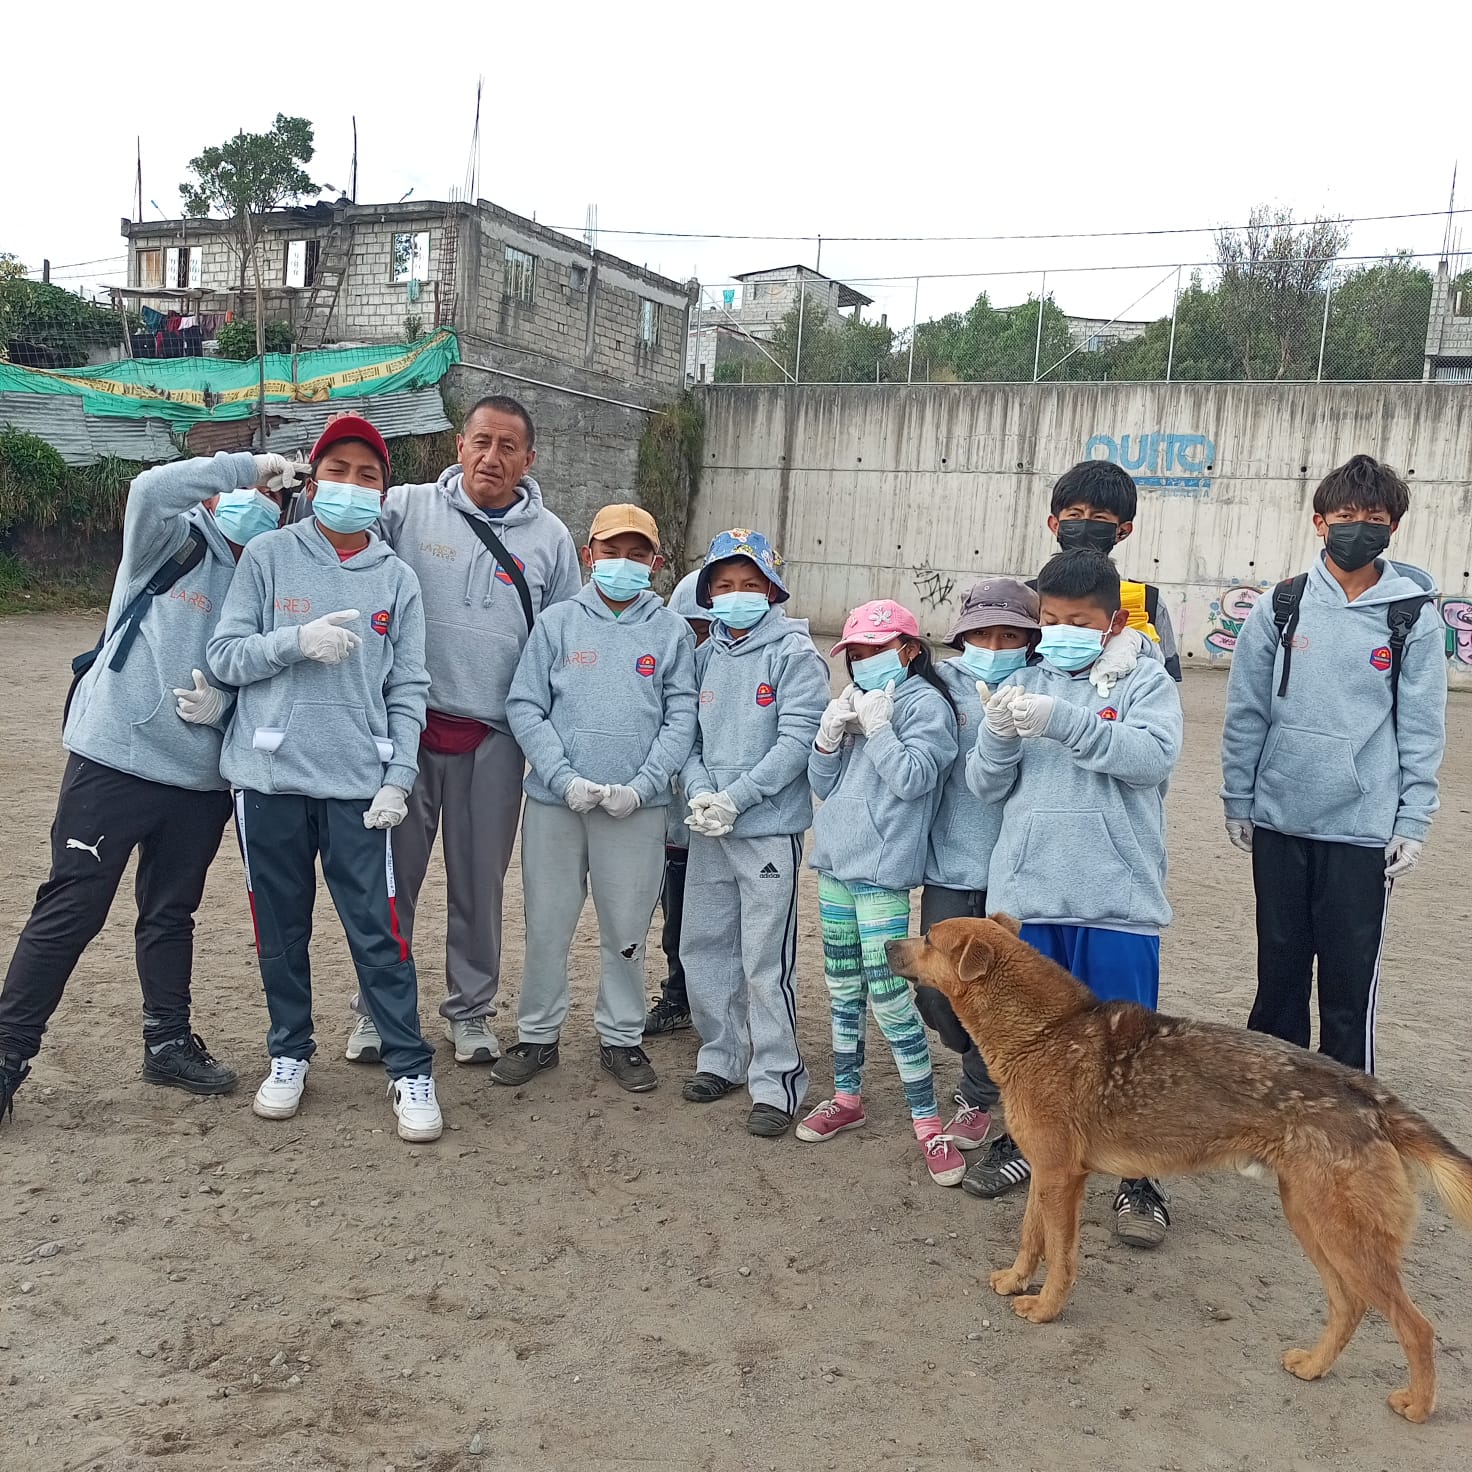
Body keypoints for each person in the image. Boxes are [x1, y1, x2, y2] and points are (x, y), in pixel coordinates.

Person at [0, 450, 297, 1123]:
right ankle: (7, 1055)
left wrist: (225, 710)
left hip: (199, 777)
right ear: (217, 492)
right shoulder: (170, 539)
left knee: (170, 912)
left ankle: (167, 1042)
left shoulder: (268, 577)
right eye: (253, 490)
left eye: (275, 497)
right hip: (114, 759)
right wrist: (247, 466)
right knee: (72, 906)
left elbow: (270, 674)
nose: (261, 502)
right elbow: (149, 488)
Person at [207, 415, 439, 1142]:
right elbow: (225, 655)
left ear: (383, 492)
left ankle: (409, 1067)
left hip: (358, 785)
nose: (351, 485)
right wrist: (294, 643)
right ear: (313, 477)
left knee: (378, 932)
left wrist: (399, 774)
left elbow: (408, 686)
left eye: (367, 476)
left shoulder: (397, 578)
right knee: (280, 928)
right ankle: (289, 1053)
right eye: (338, 470)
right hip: (270, 776)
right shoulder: (269, 555)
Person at [351, 395, 580, 1068]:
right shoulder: (406, 510)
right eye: (481, 441)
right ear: (460, 445)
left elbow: (562, 643)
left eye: (508, 446)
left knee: (480, 885)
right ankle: (376, 1009)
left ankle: (471, 1011)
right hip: (407, 729)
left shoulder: (552, 540)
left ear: (528, 459)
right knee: (391, 880)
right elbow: (344, 554)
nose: (492, 457)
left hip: (496, 739)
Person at [967, 548, 1183, 1245]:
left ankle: (1138, 1176)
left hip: (1117, 900)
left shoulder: (1145, 679)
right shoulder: (1021, 679)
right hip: (1028, 898)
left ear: (1113, 621)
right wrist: (998, 735)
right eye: (1052, 620)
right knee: (1027, 1042)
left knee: (1126, 1046)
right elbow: (985, 787)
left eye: (1079, 622)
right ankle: (1024, 1143)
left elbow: (1151, 759)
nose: (1062, 632)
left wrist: (1065, 721)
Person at [1221, 454, 1446, 1075]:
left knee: (1349, 980)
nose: (1358, 528)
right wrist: (1238, 800)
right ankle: (1272, 1094)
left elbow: (1422, 729)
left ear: (1393, 526)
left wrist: (1412, 822)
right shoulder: (1281, 605)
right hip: (1280, 819)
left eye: (1374, 518)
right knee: (1280, 971)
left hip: (1362, 828)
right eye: (1345, 515)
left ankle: (1350, 1103)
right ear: (1319, 522)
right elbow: (1246, 711)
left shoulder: (1412, 617)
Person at [497, 504, 697, 1093]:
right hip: (557, 805)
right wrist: (561, 778)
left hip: (636, 809)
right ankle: (537, 1035)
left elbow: (681, 716)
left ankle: (622, 1038)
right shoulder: (557, 622)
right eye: (611, 551)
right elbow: (525, 705)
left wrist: (644, 786)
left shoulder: (672, 632)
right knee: (547, 925)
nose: (622, 563)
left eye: (637, 554)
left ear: (656, 563)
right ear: (589, 555)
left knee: (627, 929)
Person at [801, 598, 965, 1187]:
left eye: (877, 648)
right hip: (835, 866)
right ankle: (847, 1098)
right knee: (843, 988)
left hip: (883, 874)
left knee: (891, 996)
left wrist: (879, 728)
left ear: (909, 649)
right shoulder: (858, 699)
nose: (865, 660)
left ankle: (928, 1122)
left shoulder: (926, 705)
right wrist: (827, 738)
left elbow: (914, 778)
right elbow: (824, 786)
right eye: (857, 652)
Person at [676, 530, 829, 1137]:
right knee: (704, 945)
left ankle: (777, 1080)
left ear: (771, 590)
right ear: (709, 593)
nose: (736, 594)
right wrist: (700, 792)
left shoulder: (794, 654)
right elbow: (687, 737)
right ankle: (722, 1055)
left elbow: (797, 740)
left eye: (750, 584)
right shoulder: (702, 656)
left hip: (766, 829)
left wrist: (735, 798)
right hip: (708, 827)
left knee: (766, 958)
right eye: (724, 584)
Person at [914, 579, 1042, 1163]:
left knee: (1002, 992)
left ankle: (979, 1093)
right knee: (938, 992)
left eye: (1010, 635)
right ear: (962, 635)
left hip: (1014, 869)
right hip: (949, 862)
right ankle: (975, 1056)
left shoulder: (1042, 686)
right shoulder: (938, 685)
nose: (994, 646)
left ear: (1030, 640)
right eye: (983, 634)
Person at [644, 570, 711, 1036]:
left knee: (722, 928)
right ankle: (678, 997)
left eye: (705, 631)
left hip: (723, 820)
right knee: (678, 921)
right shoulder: (665, 668)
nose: (696, 642)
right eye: (689, 631)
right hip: (675, 824)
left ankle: (720, 1006)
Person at [1044, 460, 1182, 681]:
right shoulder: (1027, 597)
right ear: (1055, 525)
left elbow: (1167, 681)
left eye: (1099, 517)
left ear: (1122, 531)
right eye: (1074, 515)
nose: (1085, 524)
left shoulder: (1149, 602)